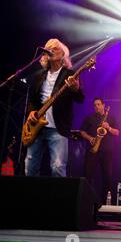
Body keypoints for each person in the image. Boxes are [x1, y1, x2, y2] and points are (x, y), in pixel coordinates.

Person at [25, 38, 84, 177]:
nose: (52, 50)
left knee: (57, 167)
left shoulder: (70, 74)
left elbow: (81, 99)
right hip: (36, 128)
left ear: (63, 54)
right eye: (49, 48)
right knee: (29, 167)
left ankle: (59, 198)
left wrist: (75, 89)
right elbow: (32, 100)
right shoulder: (39, 76)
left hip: (58, 128)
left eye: (56, 48)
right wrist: (31, 112)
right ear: (45, 54)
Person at [80, 98, 119, 204]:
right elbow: (82, 131)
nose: (96, 106)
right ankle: (86, 202)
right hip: (92, 151)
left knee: (107, 178)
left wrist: (109, 128)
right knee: (87, 176)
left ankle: (104, 203)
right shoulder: (89, 118)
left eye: (98, 104)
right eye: (94, 105)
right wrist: (90, 138)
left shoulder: (111, 117)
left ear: (103, 105)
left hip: (107, 152)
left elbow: (117, 132)